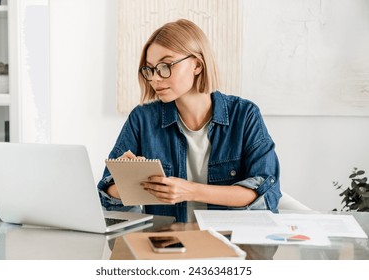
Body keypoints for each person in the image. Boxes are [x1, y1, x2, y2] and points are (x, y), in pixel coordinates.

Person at [98, 19, 281, 222]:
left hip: (226, 244)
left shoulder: (245, 115)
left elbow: (266, 194)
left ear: (197, 65)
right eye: (150, 69)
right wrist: (129, 180)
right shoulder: (142, 119)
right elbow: (107, 195)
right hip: (166, 245)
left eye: (165, 66)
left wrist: (191, 191)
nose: (155, 78)